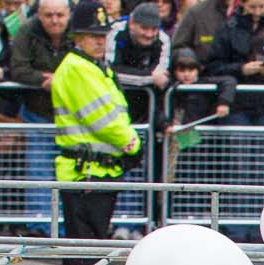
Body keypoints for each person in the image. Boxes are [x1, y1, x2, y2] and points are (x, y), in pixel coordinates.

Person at [51, 0, 139, 240]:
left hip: (99, 169)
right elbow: (103, 120)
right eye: (93, 36)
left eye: (103, 35)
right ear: (78, 37)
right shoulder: (77, 68)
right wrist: (133, 145)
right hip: (85, 172)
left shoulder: (94, 66)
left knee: (92, 245)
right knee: (85, 252)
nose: (101, 41)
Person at [11, 0, 72, 226]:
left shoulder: (77, 32)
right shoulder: (27, 30)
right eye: (48, 15)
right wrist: (42, 80)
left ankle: (67, 227)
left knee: (69, 174)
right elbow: (17, 68)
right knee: (38, 172)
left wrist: (61, 81)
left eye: (59, 15)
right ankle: (39, 226)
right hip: (37, 113)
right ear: (39, 14)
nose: (54, 20)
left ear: (68, 14)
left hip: (71, 116)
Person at [207, 0, 264, 125]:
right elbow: (213, 66)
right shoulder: (227, 29)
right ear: (242, 4)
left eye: (261, 7)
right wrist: (241, 69)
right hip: (236, 101)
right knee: (238, 142)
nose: (257, 12)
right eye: (252, 7)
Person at [108, 2, 168, 124]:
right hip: (113, 102)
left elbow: (162, 76)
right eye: (144, 28)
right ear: (131, 24)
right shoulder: (115, 31)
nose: (149, 34)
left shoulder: (163, 39)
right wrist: (150, 77)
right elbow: (110, 71)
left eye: (154, 29)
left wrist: (152, 77)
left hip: (146, 106)